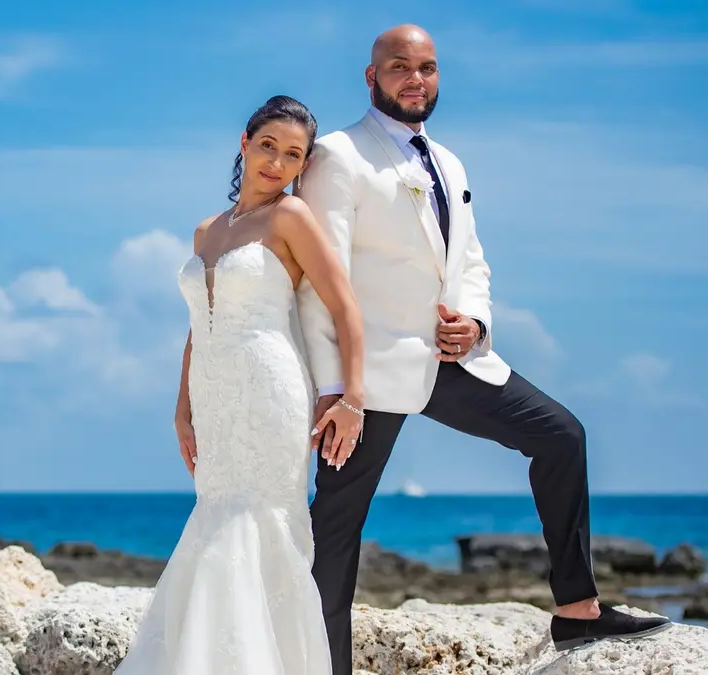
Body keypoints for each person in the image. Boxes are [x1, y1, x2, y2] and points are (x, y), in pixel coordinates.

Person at [294, 24, 673, 674]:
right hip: (367, 377)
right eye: (400, 67)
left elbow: (470, 262)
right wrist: (336, 389)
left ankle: (577, 609)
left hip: (450, 362)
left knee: (562, 436)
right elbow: (318, 283)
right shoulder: (337, 156)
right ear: (371, 76)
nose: (416, 79)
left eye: (429, 68)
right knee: (334, 538)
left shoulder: (449, 162)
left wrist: (473, 319)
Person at [112, 95, 365, 674]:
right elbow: (198, 328)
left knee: (257, 525)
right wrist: (182, 411)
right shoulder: (207, 230)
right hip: (212, 396)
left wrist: (354, 398)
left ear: (303, 166)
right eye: (268, 146)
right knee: (213, 518)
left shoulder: (290, 218)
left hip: (268, 392)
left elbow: (346, 308)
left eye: (293, 155)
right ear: (244, 144)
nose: (276, 163)